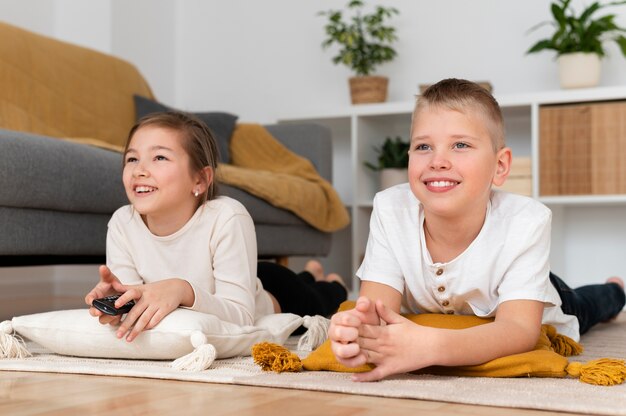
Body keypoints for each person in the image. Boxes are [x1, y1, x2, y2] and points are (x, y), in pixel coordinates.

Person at [328, 78, 626, 382]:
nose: (437, 161)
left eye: (460, 145)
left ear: (500, 166)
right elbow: (377, 310)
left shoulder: (526, 222)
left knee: (589, 305)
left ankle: (615, 289)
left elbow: (520, 330)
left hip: (533, 295)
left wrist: (432, 346)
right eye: (423, 146)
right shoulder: (391, 209)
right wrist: (361, 328)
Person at [84, 111, 347, 342]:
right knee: (299, 280)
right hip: (239, 278)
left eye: (159, 158)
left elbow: (242, 317)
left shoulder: (228, 216)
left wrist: (183, 290)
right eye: (132, 159)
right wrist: (118, 302)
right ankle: (312, 272)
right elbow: (138, 306)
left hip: (274, 290)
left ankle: (327, 279)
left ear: (200, 179)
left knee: (322, 298)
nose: (139, 170)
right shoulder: (122, 222)